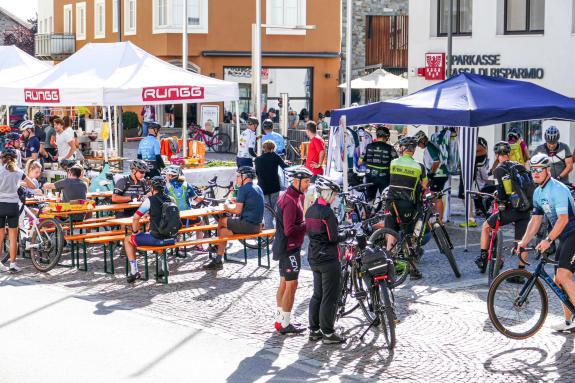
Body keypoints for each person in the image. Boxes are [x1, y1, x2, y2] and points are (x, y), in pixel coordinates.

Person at [516, 154, 575, 331]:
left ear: (548, 170)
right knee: (558, 281)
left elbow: (563, 219)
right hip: (563, 237)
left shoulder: (557, 189)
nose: (535, 173)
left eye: (539, 170)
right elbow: (535, 221)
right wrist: (523, 241)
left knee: (564, 276)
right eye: (533, 170)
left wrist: (548, 240)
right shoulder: (538, 192)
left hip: (573, 233)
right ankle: (569, 322)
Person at [475, 141, 530, 277]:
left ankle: (482, 258)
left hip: (512, 210)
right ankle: (520, 274)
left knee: (486, 226)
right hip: (526, 209)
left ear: (496, 154)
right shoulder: (519, 166)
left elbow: (502, 194)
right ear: (509, 153)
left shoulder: (499, 169)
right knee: (521, 242)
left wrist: (497, 196)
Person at [305, 175, 346, 344]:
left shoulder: (310, 210)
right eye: (334, 194)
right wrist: (347, 233)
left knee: (317, 295)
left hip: (314, 256)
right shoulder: (327, 213)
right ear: (327, 193)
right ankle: (328, 333)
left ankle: (314, 330)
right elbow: (332, 237)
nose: (335, 197)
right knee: (329, 296)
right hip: (329, 259)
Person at [273, 166, 313, 334]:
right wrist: (307, 223)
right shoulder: (290, 200)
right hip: (289, 248)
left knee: (284, 282)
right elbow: (290, 229)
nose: (308, 185)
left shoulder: (295, 195)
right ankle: (285, 324)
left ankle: (279, 320)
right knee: (291, 285)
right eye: (305, 182)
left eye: (309, 182)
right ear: (295, 181)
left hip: (285, 246)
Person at [383, 136, 428, 280]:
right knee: (409, 237)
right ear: (413, 150)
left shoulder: (393, 162)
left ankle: (389, 264)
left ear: (402, 149)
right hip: (407, 204)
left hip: (391, 202)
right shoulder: (419, 166)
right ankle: (413, 269)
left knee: (391, 232)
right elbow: (424, 185)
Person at [203, 166, 264, 270]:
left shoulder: (243, 188)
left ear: (244, 176)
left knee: (222, 220)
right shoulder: (257, 187)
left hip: (248, 225)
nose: (236, 179)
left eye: (238, 176)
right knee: (224, 232)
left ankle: (216, 245)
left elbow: (237, 211)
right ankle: (218, 260)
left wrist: (227, 208)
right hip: (258, 226)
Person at [123, 176, 177, 283]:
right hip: (171, 238)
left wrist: (135, 232)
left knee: (128, 239)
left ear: (152, 188)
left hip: (156, 239)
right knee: (157, 234)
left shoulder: (150, 200)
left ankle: (134, 271)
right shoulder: (172, 199)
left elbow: (136, 217)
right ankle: (164, 267)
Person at [0, 149, 38, 272]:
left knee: (0, 236)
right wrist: (19, 183)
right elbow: (33, 185)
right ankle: (13, 264)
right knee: (13, 236)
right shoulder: (18, 172)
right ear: (15, 159)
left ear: (2, 158)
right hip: (13, 206)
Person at [162, 165, 206, 249]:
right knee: (201, 223)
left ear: (169, 176)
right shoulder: (186, 185)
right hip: (188, 218)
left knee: (175, 226)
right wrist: (202, 196)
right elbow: (197, 199)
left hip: (173, 219)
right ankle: (199, 245)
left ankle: (176, 245)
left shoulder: (166, 188)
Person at [415, 130, 448, 222]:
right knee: (433, 196)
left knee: (437, 197)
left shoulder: (429, 147)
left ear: (422, 140)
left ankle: (440, 219)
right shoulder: (428, 147)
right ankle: (436, 216)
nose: (418, 146)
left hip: (439, 175)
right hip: (438, 174)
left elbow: (436, 161)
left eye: (418, 143)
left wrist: (431, 173)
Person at [255, 140, 289, 228]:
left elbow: (257, 173)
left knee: (266, 209)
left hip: (262, 187)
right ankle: (273, 228)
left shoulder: (258, 159)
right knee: (273, 208)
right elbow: (285, 167)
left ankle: (269, 230)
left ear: (263, 148)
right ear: (273, 148)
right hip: (274, 186)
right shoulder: (275, 157)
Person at [359, 125, 398, 201]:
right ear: (386, 136)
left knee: (369, 199)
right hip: (384, 177)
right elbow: (396, 163)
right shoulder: (390, 148)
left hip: (369, 176)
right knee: (384, 199)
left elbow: (360, 162)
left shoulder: (368, 146)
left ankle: (370, 211)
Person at [472, 137, 496, 218]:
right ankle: (481, 210)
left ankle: (478, 209)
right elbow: (485, 177)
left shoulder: (475, 162)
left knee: (476, 195)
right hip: (480, 186)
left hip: (477, 186)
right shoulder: (481, 163)